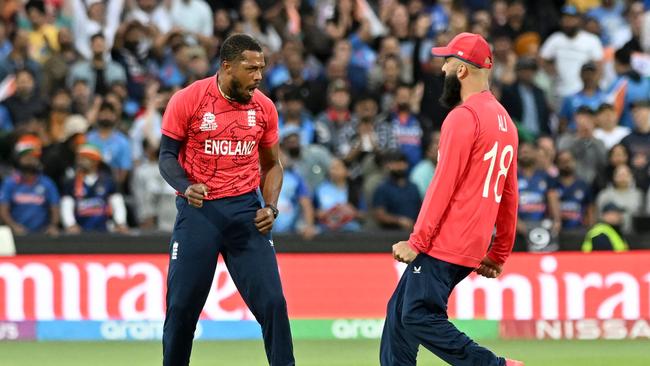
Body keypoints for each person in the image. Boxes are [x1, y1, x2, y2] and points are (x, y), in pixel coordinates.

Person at [381, 33, 523, 366]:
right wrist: (499, 252)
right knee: (399, 312)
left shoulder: (464, 117)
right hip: (471, 243)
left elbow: (442, 185)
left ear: (461, 70)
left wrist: (417, 241)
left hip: (447, 239)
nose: (442, 68)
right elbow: (509, 194)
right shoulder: (505, 123)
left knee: (416, 315)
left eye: (446, 62)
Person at [158, 34, 294, 366]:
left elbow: (273, 165)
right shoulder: (189, 99)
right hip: (199, 212)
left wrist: (270, 206)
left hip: (246, 213)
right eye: (251, 69)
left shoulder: (263, 107)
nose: (259, 76)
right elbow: (165, 157)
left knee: (274, 304)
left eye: (262, 68)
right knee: (180, 308)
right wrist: (186, 185)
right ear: (226, 66)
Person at [60, 144, 128, 233]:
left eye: (84, 158)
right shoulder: (71, 182)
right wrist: (70, 224)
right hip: (80, 232)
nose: (80, 161)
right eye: (79, 158)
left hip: (105, 231)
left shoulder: (108, 181)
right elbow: (67, 204)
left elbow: (117, 203)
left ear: (95, 161)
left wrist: (120, 223)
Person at [0, 135, 60, 235]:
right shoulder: (10, 182)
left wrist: (52, 226)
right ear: (19, 159)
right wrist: (13, 226)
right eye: (27, 156)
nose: (31, 160)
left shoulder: (47, 183)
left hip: (42, 236)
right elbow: (3, 210)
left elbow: (55, 209)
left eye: (34, 156)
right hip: (16, 236)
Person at [372, 151, 421, 231]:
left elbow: (420, 209)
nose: (398, 166)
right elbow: (379, 214)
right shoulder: (383, 188)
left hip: (413, 233)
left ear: (407, 165)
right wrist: (399, 221)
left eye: (401, 162)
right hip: (390, 234)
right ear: (388, 166)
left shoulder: (414, 187)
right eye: (394, 163)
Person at [314, 158, 365, 232]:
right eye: (332, 168)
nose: (333, 171)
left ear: (347, 171)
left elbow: (363, 214)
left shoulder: (354, 190)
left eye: (337, 168)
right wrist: (321, 214)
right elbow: (313, 211)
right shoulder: (320, 189)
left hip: (348, 228)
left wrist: (353, 212)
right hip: (325, 227)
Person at [556, 150, 594, 230]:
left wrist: (590, 227)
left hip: (578, 230)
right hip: (557, 231)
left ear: (574, 162)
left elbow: (590, 209)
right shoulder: (552, 184)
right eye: (562, 161)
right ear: (557, 164)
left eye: (568, 161)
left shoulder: (583, 185)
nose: (566, 164)